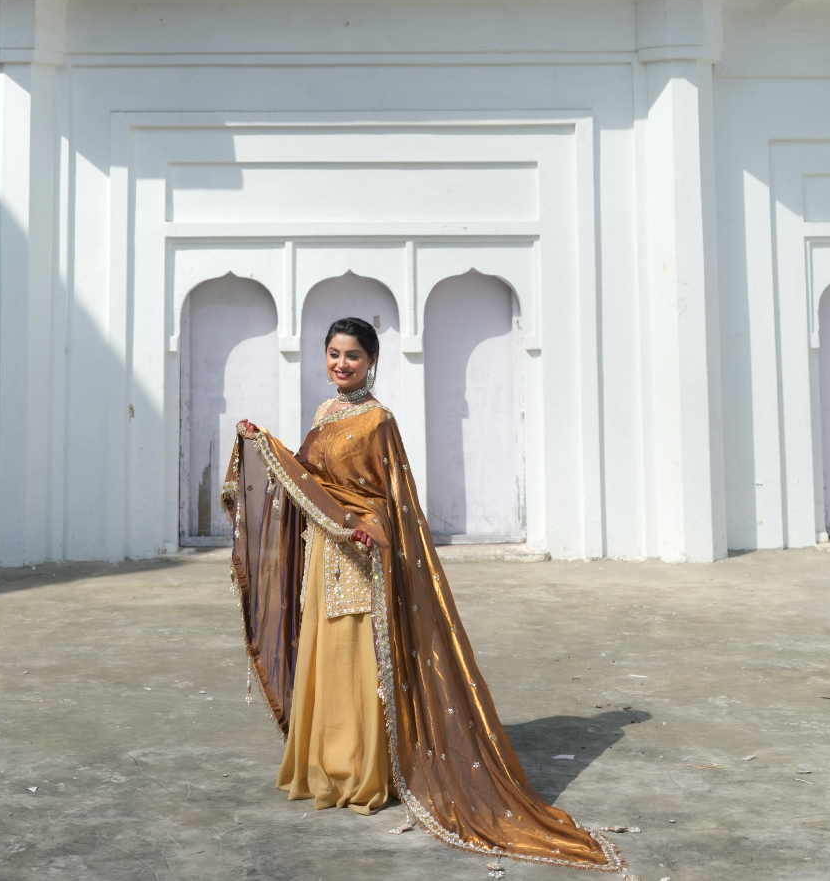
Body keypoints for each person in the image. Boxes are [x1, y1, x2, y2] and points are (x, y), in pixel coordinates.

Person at [223, 316, 628, 873]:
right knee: (326, 654)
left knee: (354, 660)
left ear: (372, 362)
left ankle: (364, 773)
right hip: (324, 556)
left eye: (354, 357)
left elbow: (393, 500)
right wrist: (263, 447)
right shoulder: (325, 413)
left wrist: (362, 522)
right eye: (334, 354)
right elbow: (310, 482)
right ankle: (326, 765)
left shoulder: (378, 421)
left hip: (361, 558)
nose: (341, 365)